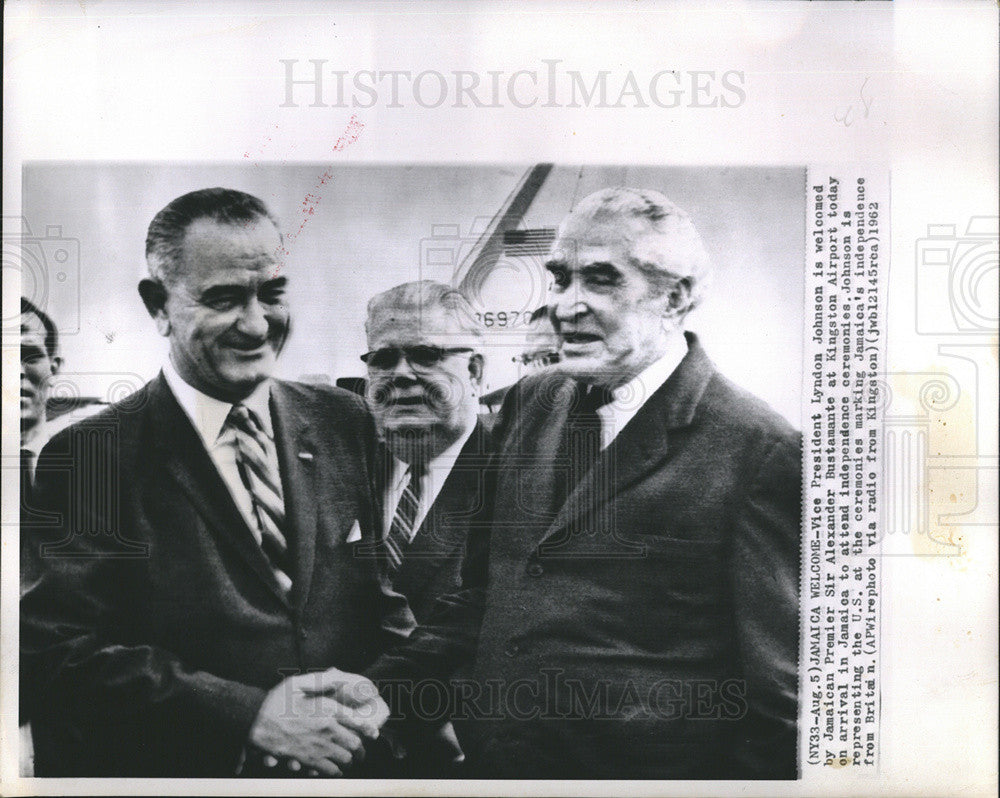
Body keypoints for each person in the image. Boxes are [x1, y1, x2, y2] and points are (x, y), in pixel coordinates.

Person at [367, 187, 801, 779]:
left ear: (674, 299)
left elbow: (778, 702)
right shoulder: (531, 401)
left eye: (600, 280)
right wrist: (376, 693)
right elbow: (480, 598)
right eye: (560, 279)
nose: (567, 306)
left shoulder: (760, 450)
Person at [20, 187, 405, 777]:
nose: (256, 324)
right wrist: (250, 715)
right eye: (223, 299)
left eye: (272, 293)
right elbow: (56, 652)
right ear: (158, 304)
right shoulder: (91, 453)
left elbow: (375, 600)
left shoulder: (342, 419)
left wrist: (379, 691)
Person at [361, 280, 493, 775]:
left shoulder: (524, 474)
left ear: (475, 371)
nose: (401, 375)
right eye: (382, 358)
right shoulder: (340, 465)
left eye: (425, 355)